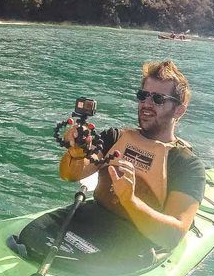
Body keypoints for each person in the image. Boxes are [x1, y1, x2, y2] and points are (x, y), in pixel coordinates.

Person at [58, 60, 205, 252]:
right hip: (95, 220)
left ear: (179, 110)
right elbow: (69, 175)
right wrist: (75, 153)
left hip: (137, 243)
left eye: (158, 99)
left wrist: (130, 201)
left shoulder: (187, 165)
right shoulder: (114, 137)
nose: (147, 104)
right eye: (143, 96)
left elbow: (172, 236)